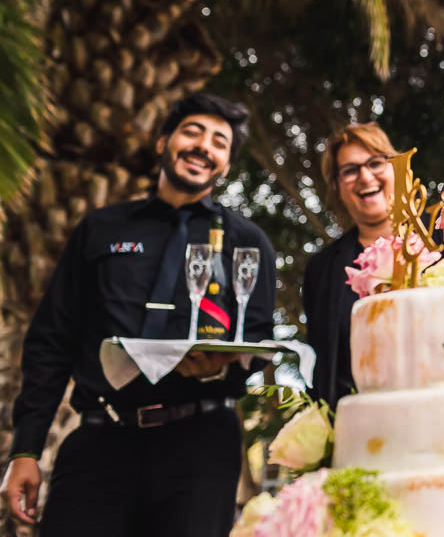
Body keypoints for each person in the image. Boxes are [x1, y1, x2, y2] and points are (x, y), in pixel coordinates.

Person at [1, 93, 277, 537]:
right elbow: (52, 339)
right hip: (100, 438)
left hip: (201, 446)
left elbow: (258, 336)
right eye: (192, 132)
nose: (204, 146)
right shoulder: (101, 229)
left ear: (225, 165)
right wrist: (25, 449)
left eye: (219, 142)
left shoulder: (248, 241)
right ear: (163, 141)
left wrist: (215, 372)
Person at [302, 123, 400, 408]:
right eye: (350, 170)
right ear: (337, 186)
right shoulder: (320, 270)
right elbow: (323, 366)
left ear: (395, 168)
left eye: (375, 163)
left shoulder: (441, 244)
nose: (365, 176)